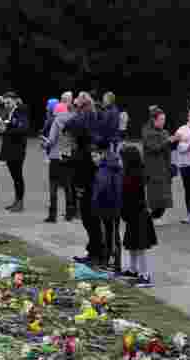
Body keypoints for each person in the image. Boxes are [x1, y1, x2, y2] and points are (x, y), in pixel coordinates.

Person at [67, 93, 105, 265]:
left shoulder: (86, 118)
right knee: (89, 216)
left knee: (89, 216)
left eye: (77, 105)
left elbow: (69, 125)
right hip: (86, 170)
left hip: (87, 172)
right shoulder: (91, 118)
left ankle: (96, 252)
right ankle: (94, 250)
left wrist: (75, 110)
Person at [119, 145, 158, 287]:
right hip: (133, 213)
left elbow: (131, 195)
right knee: (132, 244)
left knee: (140, 246)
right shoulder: (131, 172)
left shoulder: (135, 175)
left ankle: (145, 274)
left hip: (138, 213)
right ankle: (133, 269)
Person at [142, 106, 174, 224]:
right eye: (161, 119)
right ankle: (153, 216)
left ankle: (156, 216)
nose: (163, 122)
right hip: (153, 168)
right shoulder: (147, 132)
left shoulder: (164, 132)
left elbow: (168, 149)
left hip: (164, 168)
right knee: (155, 194)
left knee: (164, 195)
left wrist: (176, 142)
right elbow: (154, 147)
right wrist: (168, 141)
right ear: (154, 120)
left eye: (164, 119)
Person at [45, 101, 76, 222]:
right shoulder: (74, 120)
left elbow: (51, 140)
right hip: (67, 155)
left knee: (53, 185)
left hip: (55, 156)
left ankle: (53, 214)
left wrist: (45, 143)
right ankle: (69, 213)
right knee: (68, 185)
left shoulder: (56, 121)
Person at [0, 92, 30, 212]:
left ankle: (20, 203)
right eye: (5, 102)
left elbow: (23, 128)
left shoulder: (20, 110)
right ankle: (17, 201)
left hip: (17, 149)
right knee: (15, 177)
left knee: (18, 177)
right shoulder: (11, 111)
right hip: (11, 148)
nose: (6, 104)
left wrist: (7, 128)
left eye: (9, 102)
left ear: (15, 101)